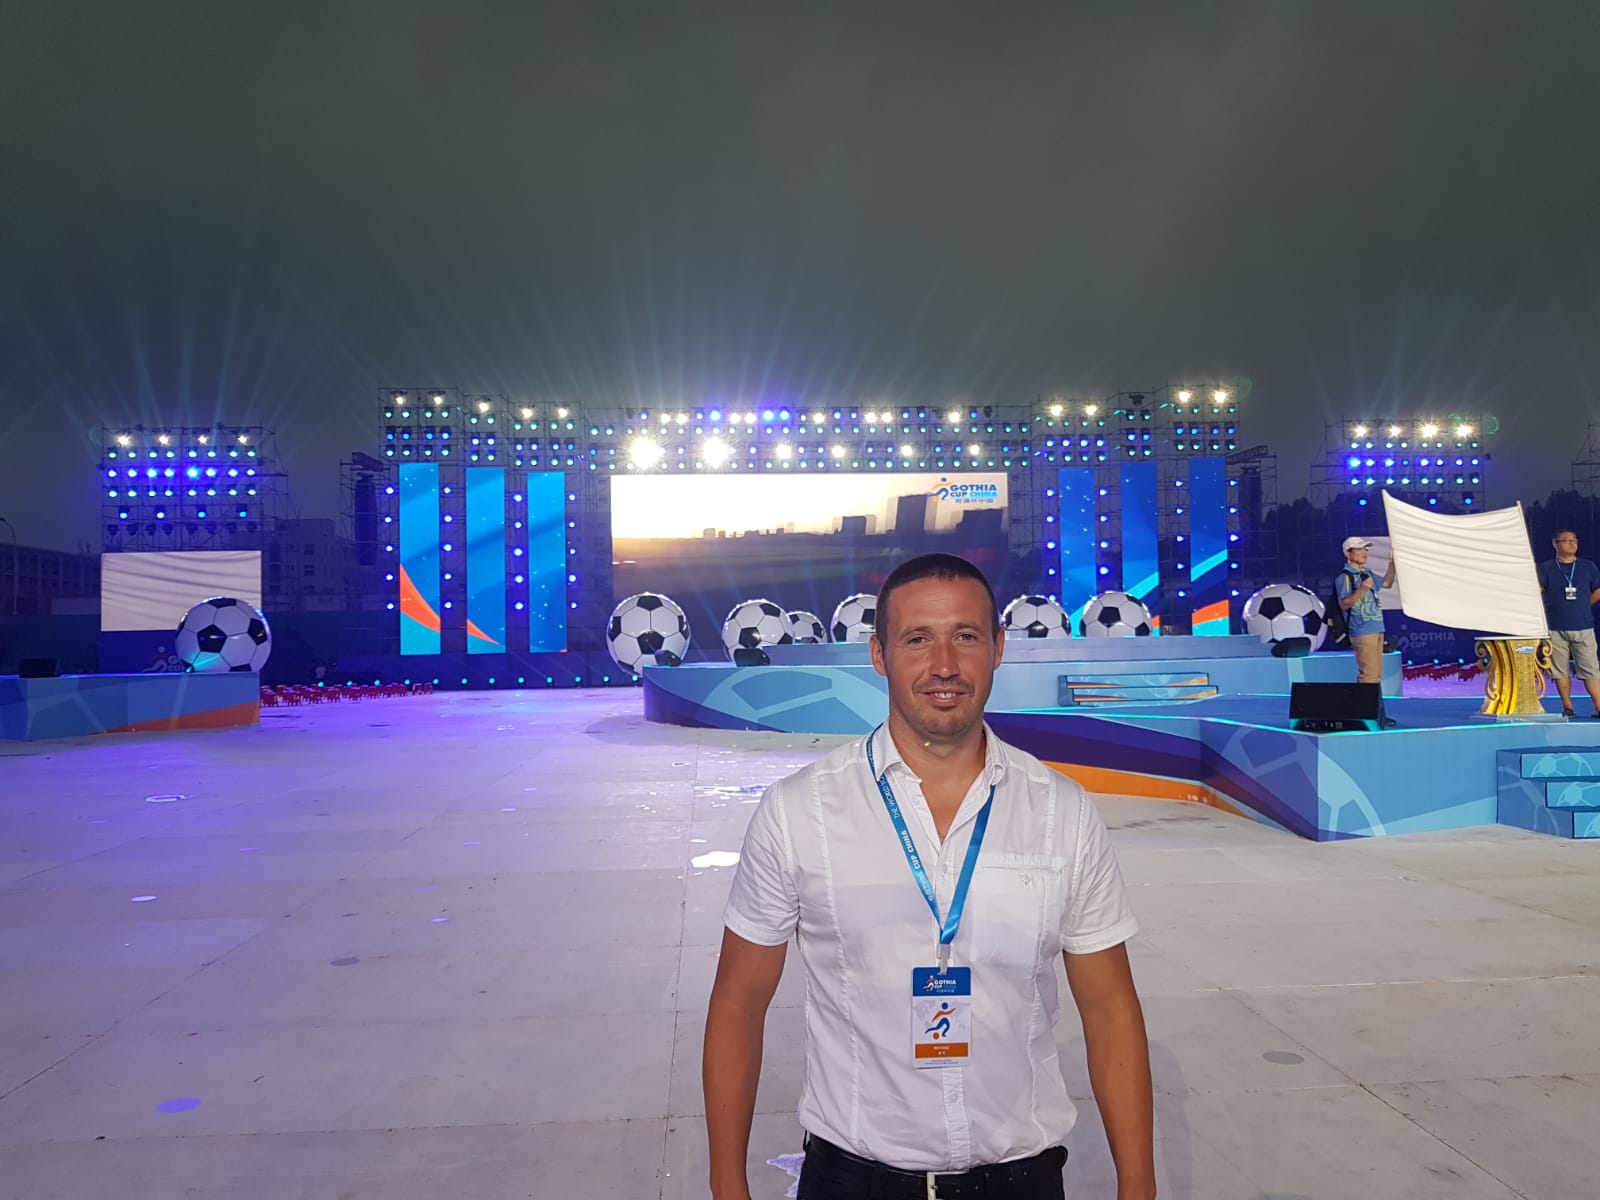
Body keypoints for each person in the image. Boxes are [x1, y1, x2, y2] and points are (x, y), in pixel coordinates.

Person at [703, 553, 1155, 1200]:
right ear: (879, 654)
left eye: (965, 636)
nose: (944, 664)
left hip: (1020, 1180)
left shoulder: (1061, 812)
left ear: (998, 648)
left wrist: (1138, 1185)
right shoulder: (801, 812)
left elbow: (1110, 1008)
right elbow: (738, 1003)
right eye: (917, 639)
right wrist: (727, 1184)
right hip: (852, 1182)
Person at [1536, 530, 1600, 719]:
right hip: (1555, 627)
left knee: (1590, 668)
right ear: (1555, 544)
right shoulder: (1546, 568)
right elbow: (1538, 592)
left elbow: (1598, 590)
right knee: (1559, 669)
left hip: (1583, 626)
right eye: (1566, 541)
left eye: (1574, 540)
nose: (1572, 544)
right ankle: (1567, 707)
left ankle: (1598, 706)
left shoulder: (1587, 567)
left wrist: (1582, 605)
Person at [1335, 538, 1396, 719]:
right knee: (1368, 675)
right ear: (1348, 554)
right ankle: (1366, 714)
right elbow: (1344, 603)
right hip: (1361, 630)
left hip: (1376, 627)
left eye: (1365, 549)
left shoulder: (1367, 573)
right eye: (1359, 549)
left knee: (1374, 675)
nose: (1364, 553)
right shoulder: (1344, 577)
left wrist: (1392, 563)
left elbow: (1387, 583)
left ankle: (1376, 713)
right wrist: (1362, 589)